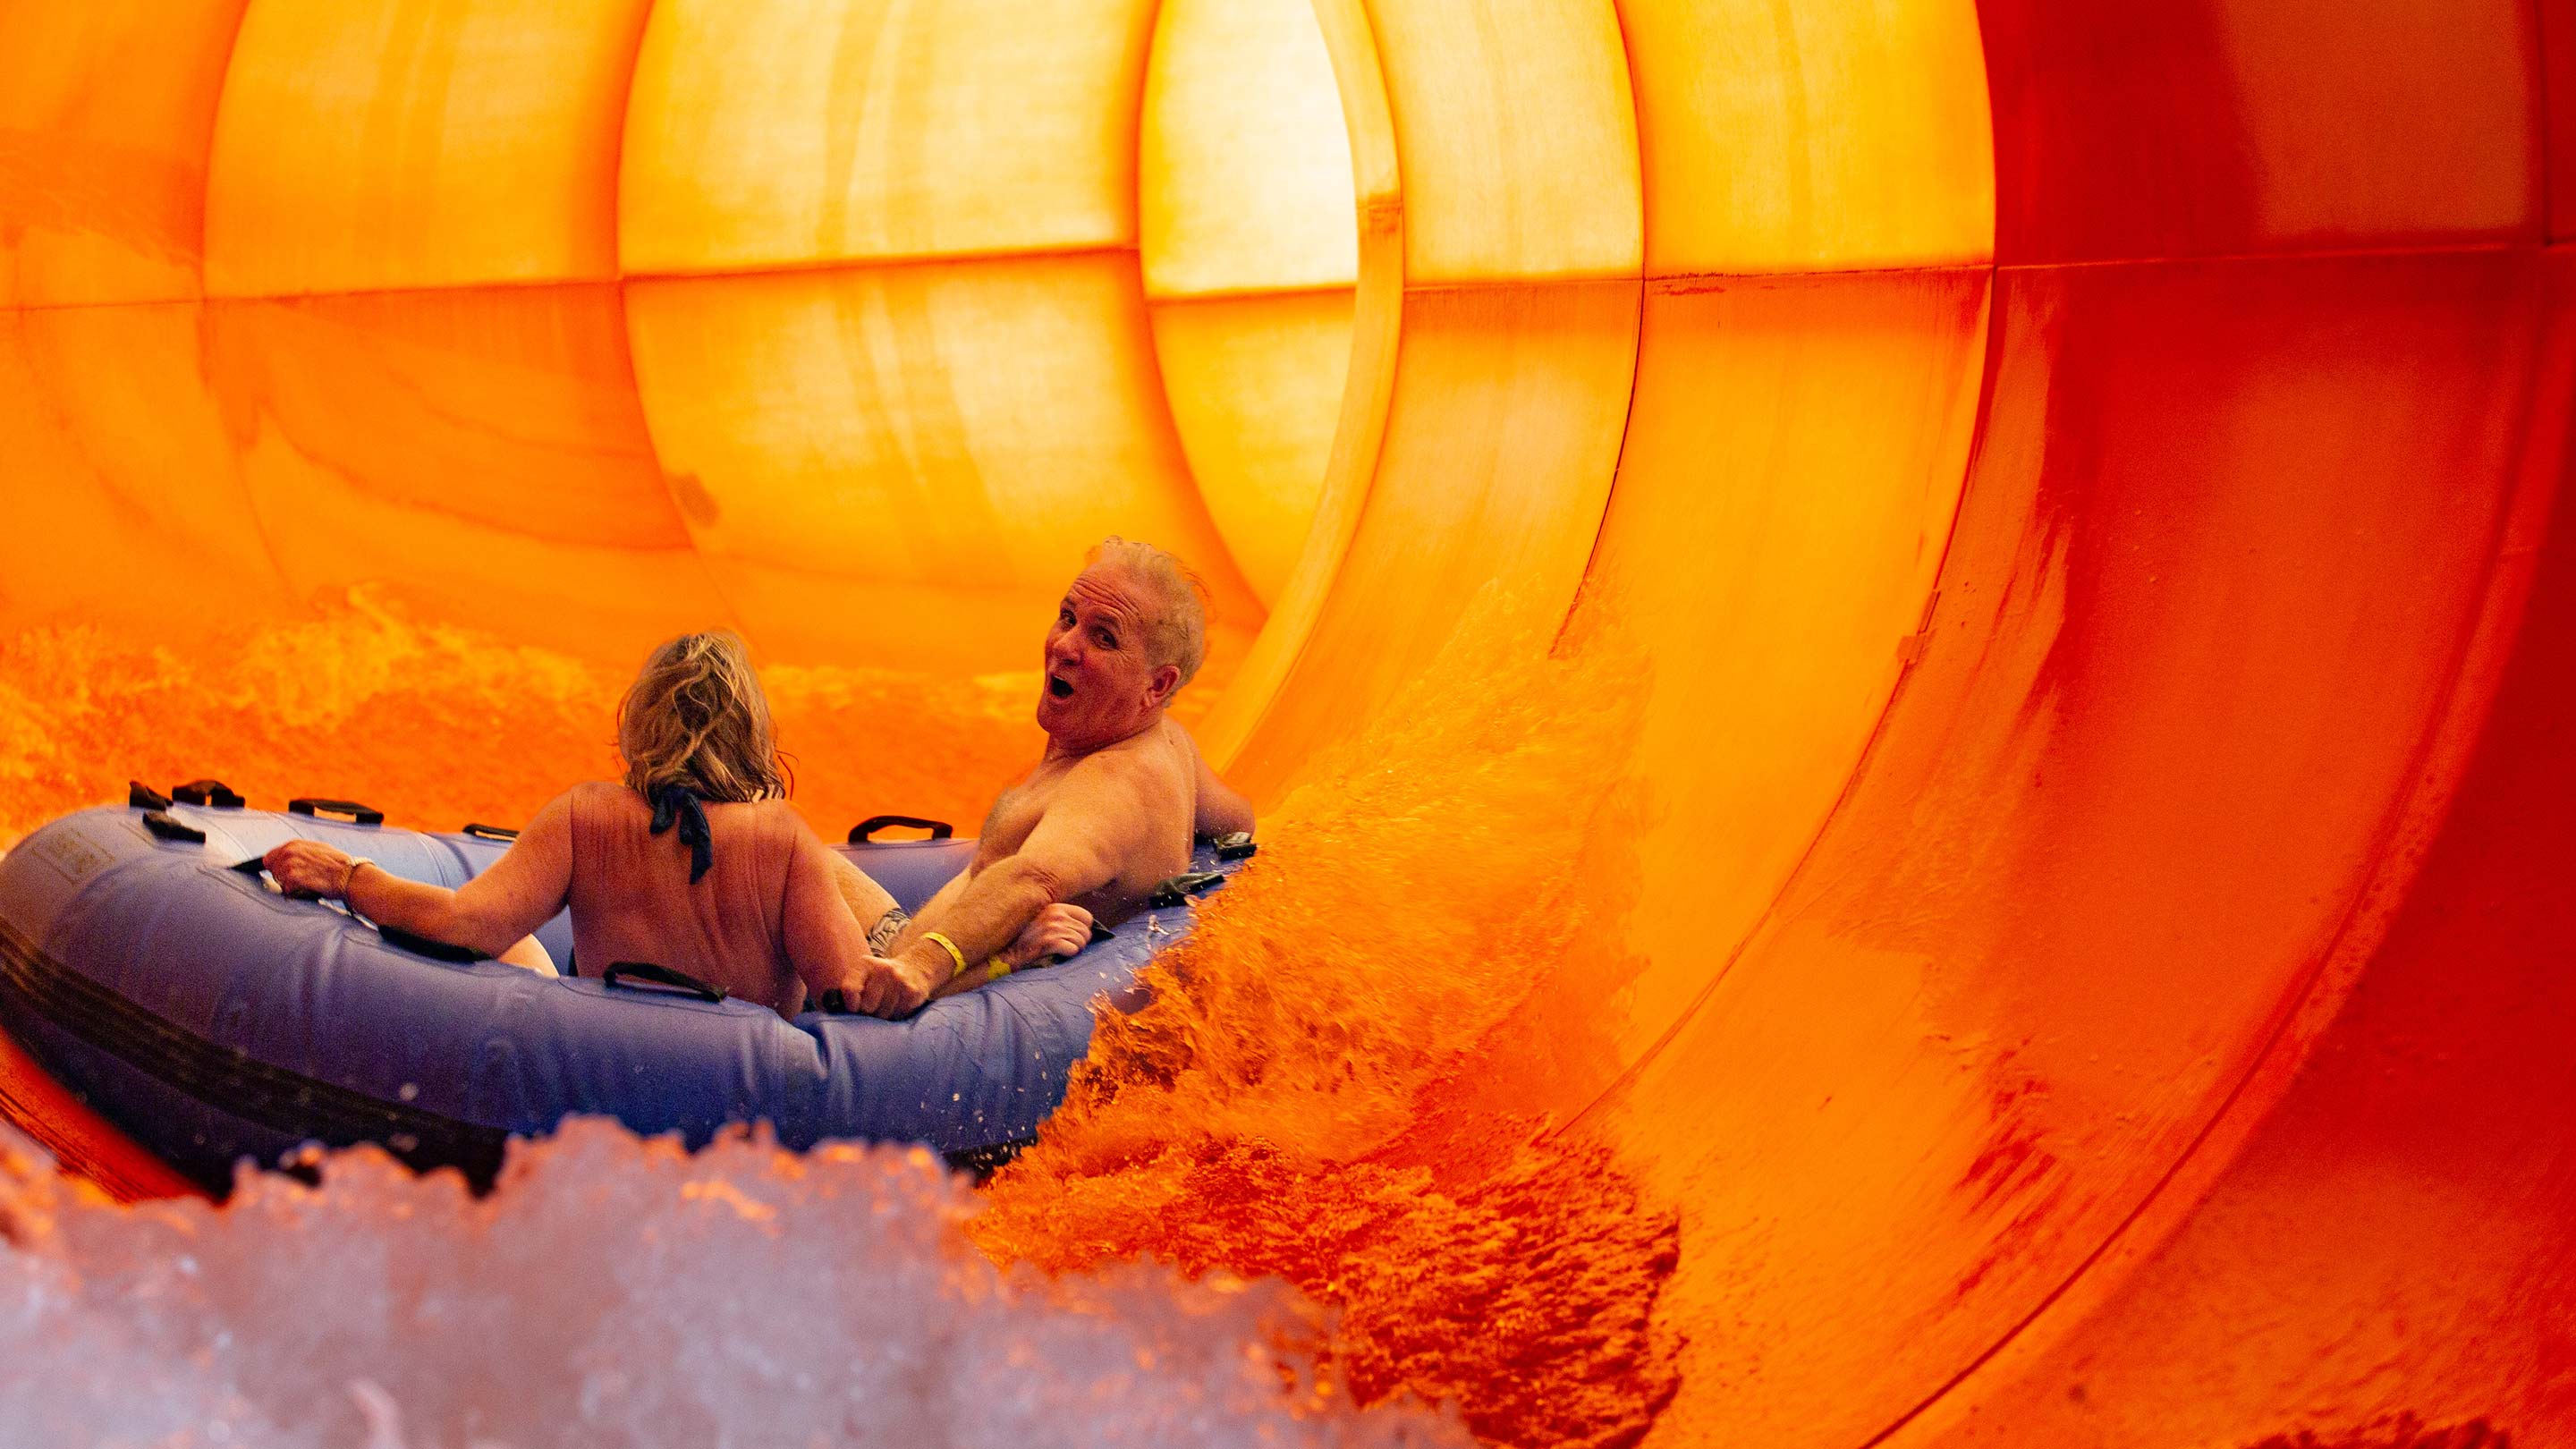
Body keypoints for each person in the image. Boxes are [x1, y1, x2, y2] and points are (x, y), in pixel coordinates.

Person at [260, 632, 1092, 1018]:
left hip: (600, 1064)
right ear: (755, 740)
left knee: (514, 947)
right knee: (882, 940)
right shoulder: (780, 839)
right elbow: (857, 990)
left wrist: (348, 877)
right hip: (742, 1089)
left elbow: (466, 924)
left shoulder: (586, 816)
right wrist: (1004, 962)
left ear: (638, 726)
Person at [832, 537, 1257, 1018]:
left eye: (1104, 637)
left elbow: (1033, 877)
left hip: (913, 990)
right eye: (1068, 617)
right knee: (806, 857)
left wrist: (921, 967)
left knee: (773, 852)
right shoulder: (1170, 743)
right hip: (904, 948)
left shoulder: (1117, 781)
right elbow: (1238, 820)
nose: (1065, 645)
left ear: (1157, 685)